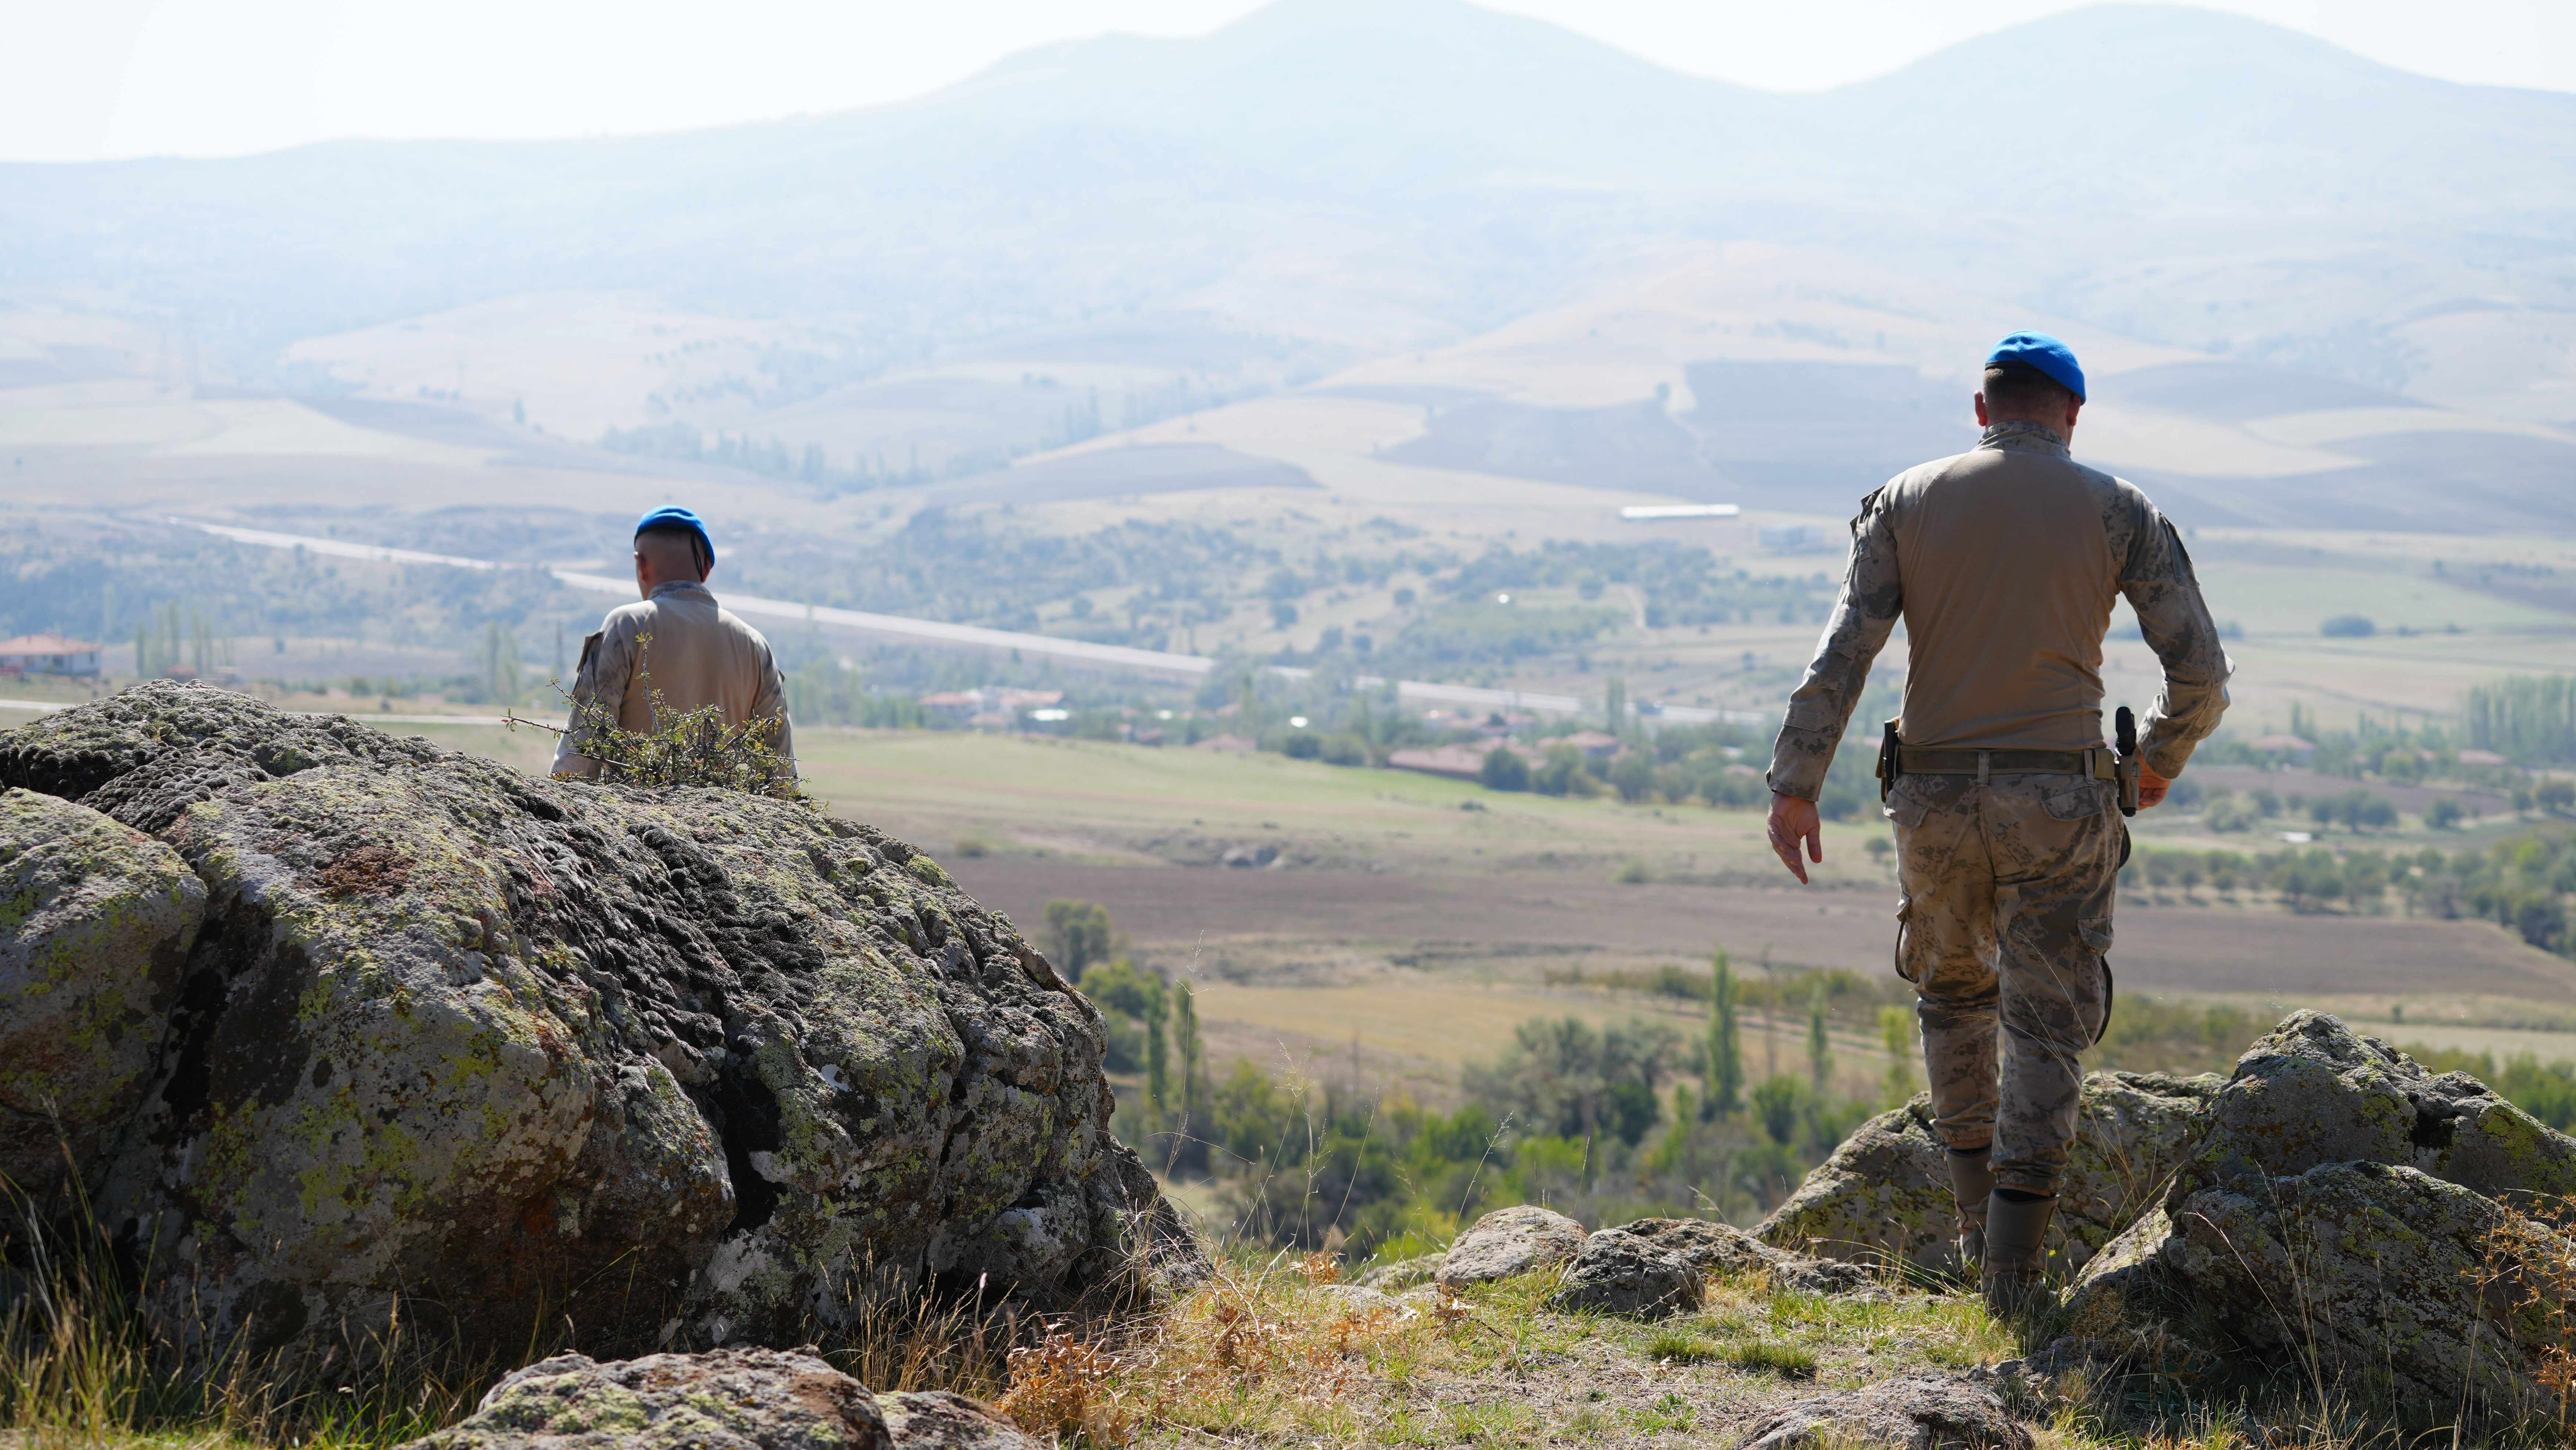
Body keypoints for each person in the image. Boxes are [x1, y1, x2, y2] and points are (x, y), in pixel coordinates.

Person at [1760, 332, 2230, 1310]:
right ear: (2071, 414)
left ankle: (1976, 1234)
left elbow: (1845, 649)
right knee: (2047, 1021)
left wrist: (1797, 780)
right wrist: (2154, 762)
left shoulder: (1905, 501)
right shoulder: (2119, 510)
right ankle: (2015, 1282)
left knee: (1953, 998)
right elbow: (2202, 675)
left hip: (1928, 798)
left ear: (1982, 411)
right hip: (2058, 799)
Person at [552, 506, 797, 781]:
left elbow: (581, 751)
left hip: (631, 818)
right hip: (721, 819)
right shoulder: (755, 645)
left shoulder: (627, 625)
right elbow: (781, 770)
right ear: (705, 569)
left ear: (641, 565)